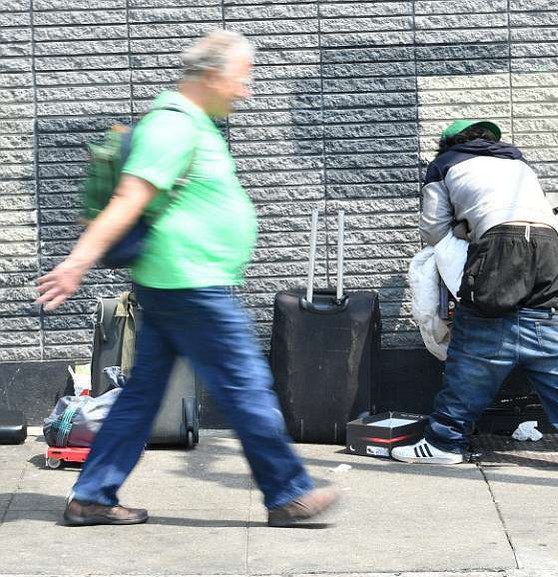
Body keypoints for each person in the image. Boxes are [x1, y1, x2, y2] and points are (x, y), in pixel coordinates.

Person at [35, 30, 337, 527]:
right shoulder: (172, 126)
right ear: (214, 75)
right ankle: (288, 493)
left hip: (175, 281)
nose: (248, 91)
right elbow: (128, 199)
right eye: (244, 78)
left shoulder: (192, 123)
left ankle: (92, 495)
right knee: (247, 386)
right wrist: (77, 263)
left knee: (141, 395)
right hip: (188, 283)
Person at [391, 120, 558, 471]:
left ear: (447, 144)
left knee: (475, 339)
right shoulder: (517, 162)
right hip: (549, 247)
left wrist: (465, 229)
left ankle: (444, 441)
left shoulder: (444, 165)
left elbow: (433, 229)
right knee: (550, 337)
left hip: (499, 246)